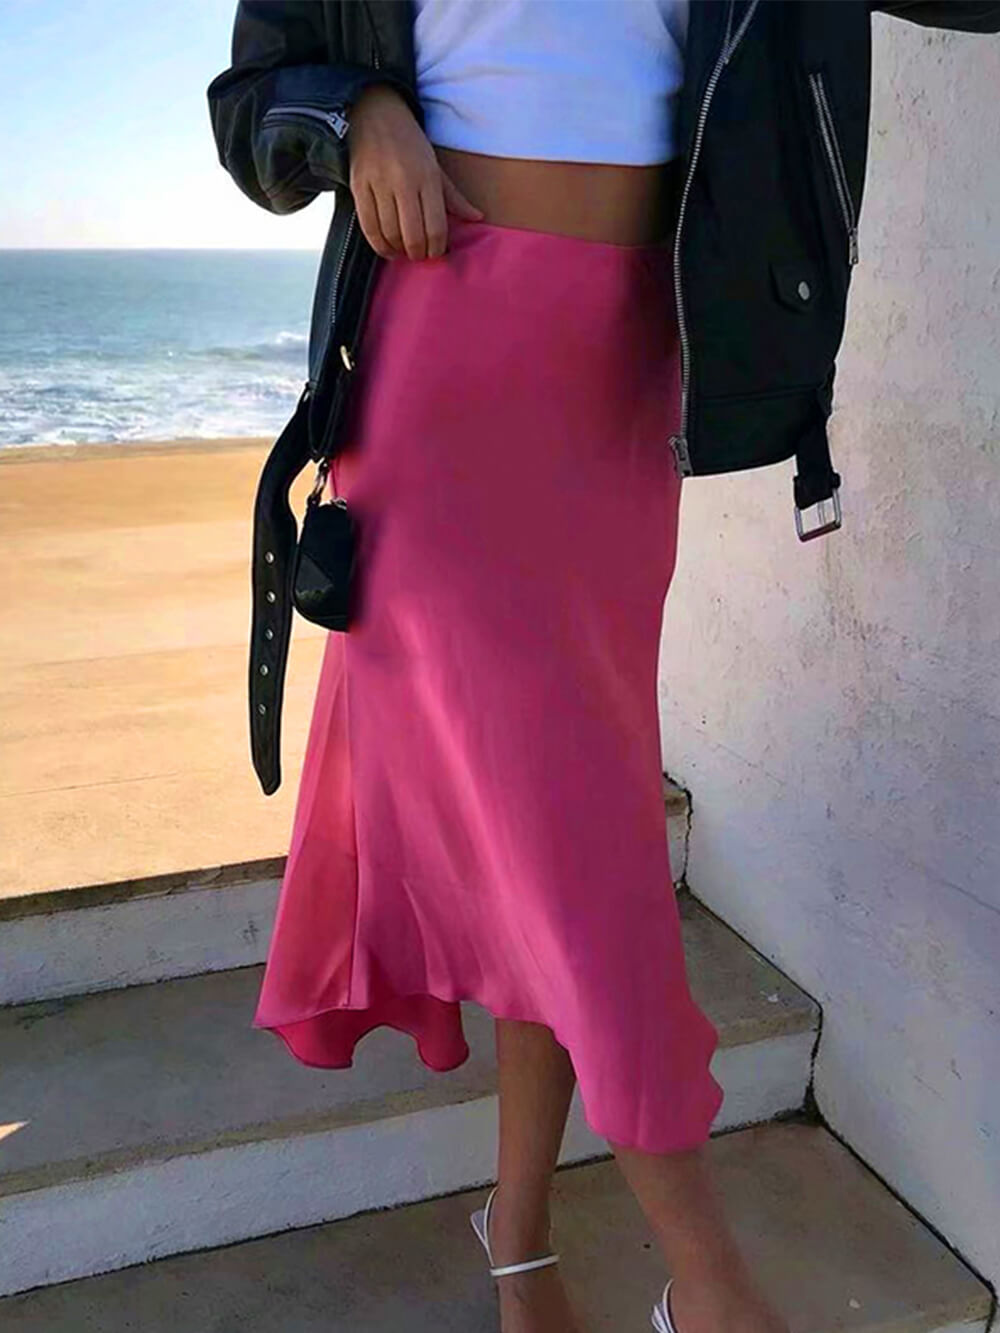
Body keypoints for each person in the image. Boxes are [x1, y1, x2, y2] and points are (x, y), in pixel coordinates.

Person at [206, 3, 999, 1331]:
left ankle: (517, 1235)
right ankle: (714, 1286)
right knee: (577, 844)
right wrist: (357, 115)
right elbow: (253, 99)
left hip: (629, 368)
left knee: (567, 829)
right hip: (446, 349)